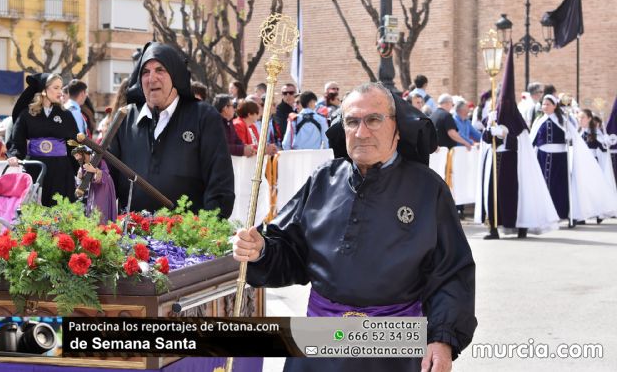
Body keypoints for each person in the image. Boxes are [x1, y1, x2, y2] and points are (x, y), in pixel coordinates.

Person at [233, 82, 476, 372]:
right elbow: (291, 253)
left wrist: (442, 338)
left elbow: (452, 272)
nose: (362, 132)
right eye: (352, 121)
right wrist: (261, 250)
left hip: (394, 350)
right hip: (320, 344)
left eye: (374, 120)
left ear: (397, 129)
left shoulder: (428, 188)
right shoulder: (324, 179)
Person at [109, 42, 235, 217]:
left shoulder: (204, 116)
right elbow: (107, 176)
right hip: (132, 237)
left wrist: (205, 232)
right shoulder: (125, 118)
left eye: (160, 70)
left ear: (175, 75)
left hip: (186, 237)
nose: (151, 78)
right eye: (145, 72)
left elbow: (220, 186)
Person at [476, 51, 559, 239]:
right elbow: (486, 140)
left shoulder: (516, 120)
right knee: (493, 195)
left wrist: (506, 135)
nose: (502, 104)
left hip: (512, 162)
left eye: (505, 100)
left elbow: (521, 143)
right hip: (494, 160)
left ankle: (521, 226)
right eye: (499, 100)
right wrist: (490, 131)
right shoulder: (492, 116)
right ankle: (494, 227)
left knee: (513, 195)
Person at [531, 95, 617, 223]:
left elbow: (574, 138)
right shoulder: (538, 121)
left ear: (555, 106)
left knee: (559, 186)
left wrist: (568, 136)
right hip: (542, 157)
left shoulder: (562, 121)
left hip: (559, 158)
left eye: (548, 104)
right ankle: (544, 213)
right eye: (543, 104)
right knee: (543, 185)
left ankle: (561, 213)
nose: (545, 106)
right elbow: (532, 140)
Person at [7, 73, 79, 206]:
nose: (60, 92)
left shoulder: (66, 115)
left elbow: (74, 144)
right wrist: (14, 155)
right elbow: (17, 139)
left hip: (61, 170)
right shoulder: (27, 114)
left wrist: (80, 166)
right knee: (36, 212)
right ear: (44, 91)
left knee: (61, 211)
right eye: (56, 88)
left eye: (61, 88)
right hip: (36, 168)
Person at [72, 145, 117, 224]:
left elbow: (106, 173)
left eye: (77, 155)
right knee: (93, 205)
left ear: (83, 153)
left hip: (104, 186)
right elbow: (82, 179)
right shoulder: (82, 164)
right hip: (94, 187)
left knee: (101, 206)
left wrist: (95, 170)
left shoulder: (98, 160)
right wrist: (80, 177)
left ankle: (103, 226)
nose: (77, 158)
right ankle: (94, 225)